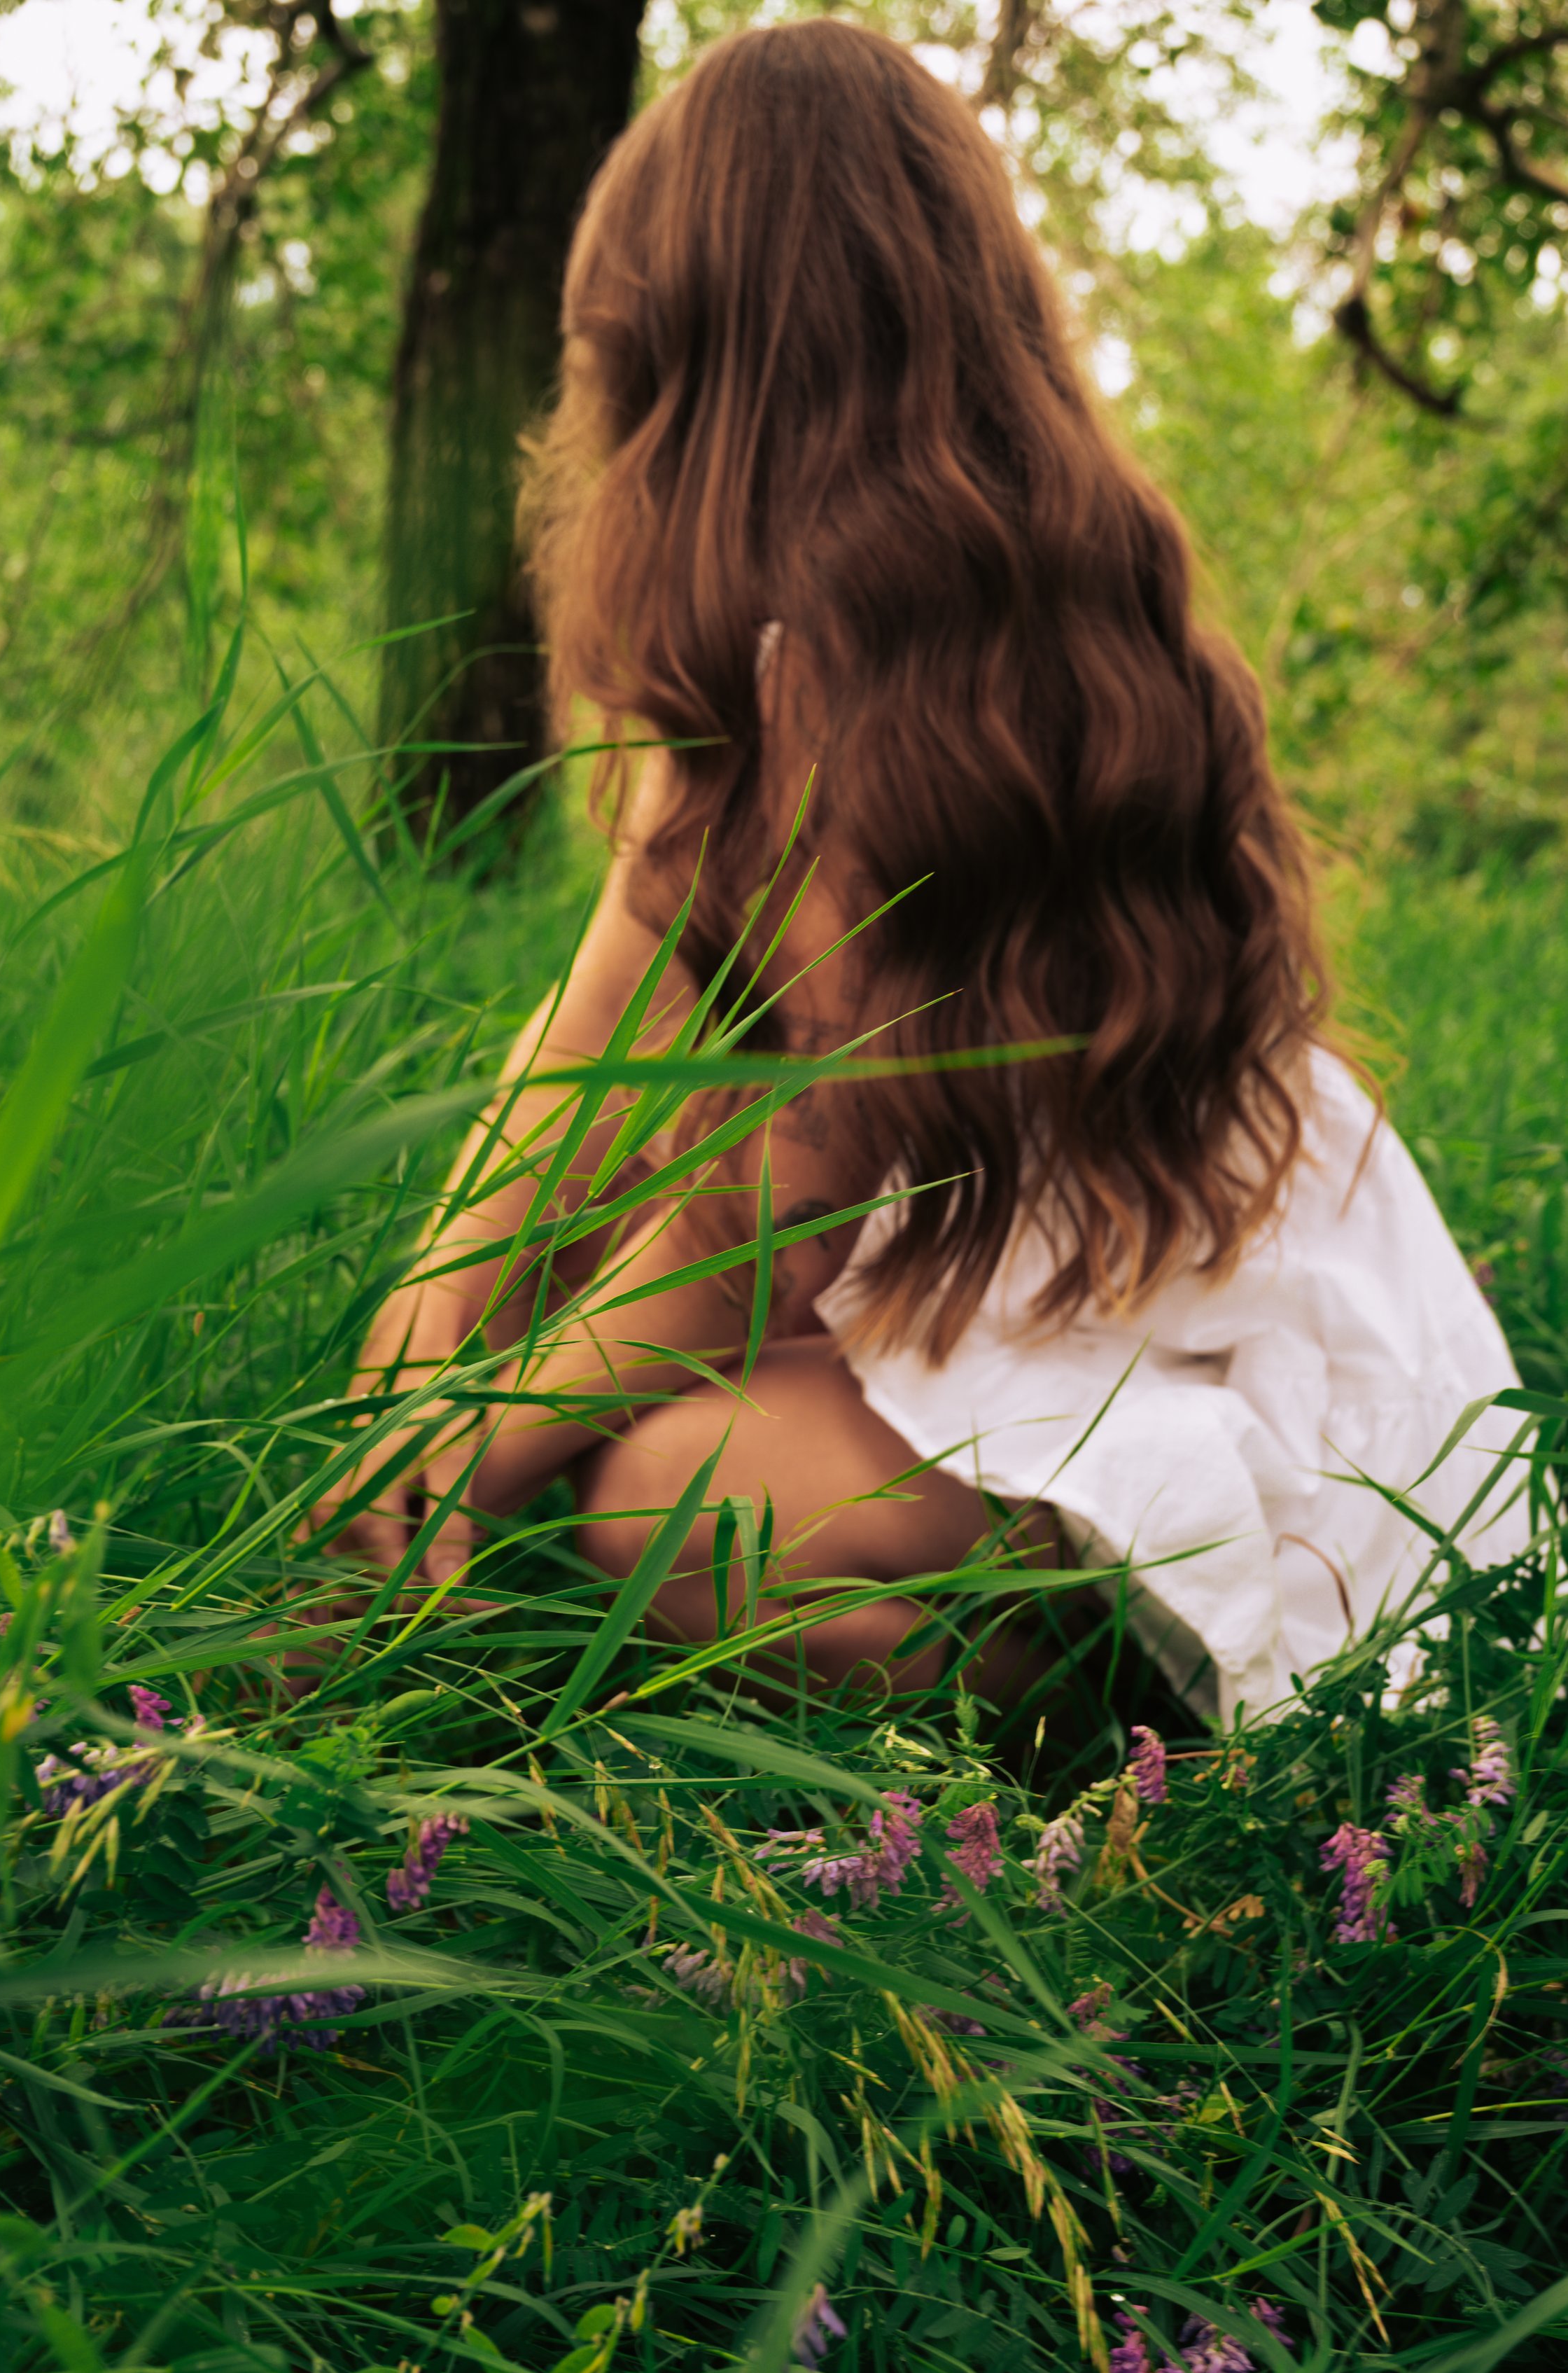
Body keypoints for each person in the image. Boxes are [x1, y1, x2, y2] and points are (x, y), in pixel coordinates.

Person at [312, 21, 1527, 1727]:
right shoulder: (750, 683)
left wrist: (474, 1449)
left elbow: (779, 1206)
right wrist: (408, 1365)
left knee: (670, 1506)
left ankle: (1153, 1729)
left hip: (1177, 1340)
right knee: (594, 1429)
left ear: (723, 377)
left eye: (629, 380)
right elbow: (567, 1070)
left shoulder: (952, 671)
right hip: (998, 1322)